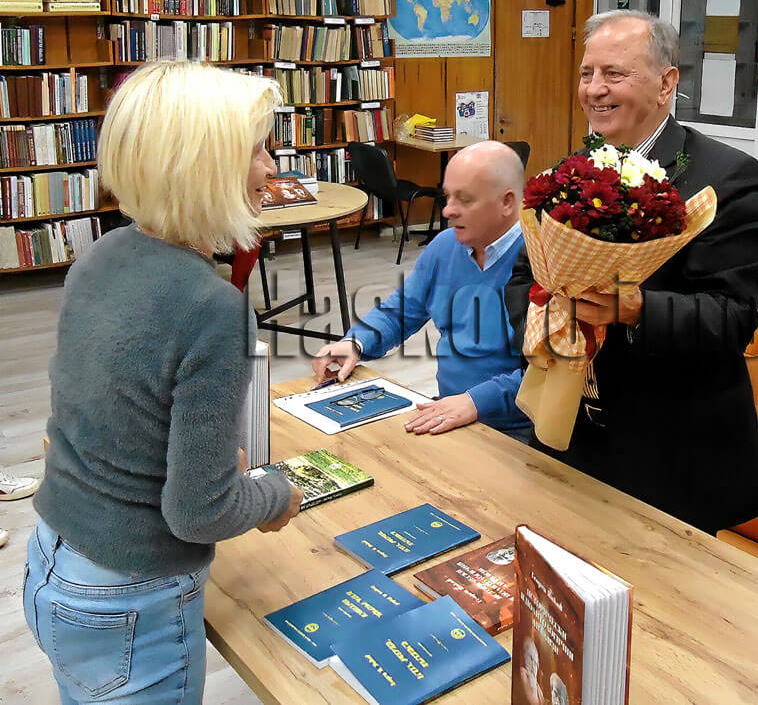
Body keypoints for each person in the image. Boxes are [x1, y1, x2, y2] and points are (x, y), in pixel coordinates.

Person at [23, 62, 304, 704]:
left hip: (53, 563)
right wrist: (273, 497)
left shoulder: (102, 254)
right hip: (130, 601)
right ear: (206, 166)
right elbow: (198, 512)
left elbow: (106, 415)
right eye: (256, 150)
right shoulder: (212, 307)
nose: (270, 168)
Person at [506, 10, 758, 535]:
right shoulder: (570, 171)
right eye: (587, 74)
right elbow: (522, 279)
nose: (594, 89)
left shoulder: (725, 177)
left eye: (614, 73)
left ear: (666, 83)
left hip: (670, 453)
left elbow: (733, 318)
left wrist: (635, 309)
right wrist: (547, 320)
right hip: (570, 432)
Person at [312, 141, 531, 440]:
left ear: (507, 202)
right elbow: (400, 312)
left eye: (464, 200)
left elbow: (551, 374)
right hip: (450, 414)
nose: (448, 210)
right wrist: (356, 342)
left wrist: (475, 402)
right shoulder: (444, 247)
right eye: (446, 197)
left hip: (517, 431)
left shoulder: (546, 261)